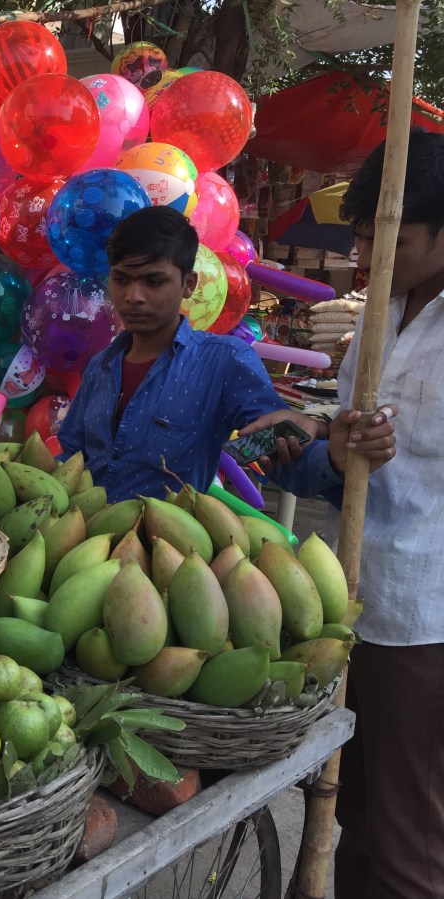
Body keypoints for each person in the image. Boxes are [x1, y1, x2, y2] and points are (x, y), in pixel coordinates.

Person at [253, 129, 444, 899]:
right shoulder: (376, 316)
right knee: (356, 814)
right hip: (361, 591)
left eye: (387, 235)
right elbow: (348, 452)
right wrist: (340, 444)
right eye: (363, 235)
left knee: (411, 836)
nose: (368, 253)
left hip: (427, 615)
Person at [57, 205, 295, 501]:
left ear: (188, 284)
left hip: (169, 543)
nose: (133, 296)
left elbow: (278, 454)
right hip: (85, 539)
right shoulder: (100, 367)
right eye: (121, 279)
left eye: (153, 281)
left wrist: (323, 443)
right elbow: (71, 454)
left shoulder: (223, 362)